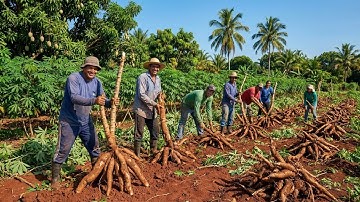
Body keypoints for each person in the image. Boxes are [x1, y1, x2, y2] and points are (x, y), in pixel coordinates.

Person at [52, 56, 119, 189]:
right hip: (69, 121)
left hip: (85, 120)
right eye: (90, 67)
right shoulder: (74, 78)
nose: (92, 71)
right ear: (84, 68)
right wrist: (94, 101)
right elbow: (74, 97)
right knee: (63, 150)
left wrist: (110, 102)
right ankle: (55, 179)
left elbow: (102, 99)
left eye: (95, 69)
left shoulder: (97, 82)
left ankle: (96, 176)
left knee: (95, 148)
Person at [133, 58, 164, 157]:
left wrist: (161, 97)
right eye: (153, 66)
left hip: (152, 110)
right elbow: (141, 95)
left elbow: (158, 92)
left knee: (155, 130)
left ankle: (153, 152)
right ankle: (137, 155)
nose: (155, 68)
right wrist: (155, 104)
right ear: (149, 67)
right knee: (139, 133)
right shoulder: (143, 77)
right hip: (141, 109)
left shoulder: (158, 79)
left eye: (157, 66)